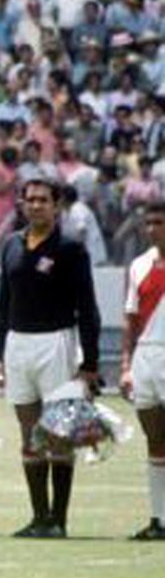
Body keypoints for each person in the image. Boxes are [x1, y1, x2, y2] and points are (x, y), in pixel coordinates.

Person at [0, 178, 101, 539]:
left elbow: (88, 308)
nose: (35, 205)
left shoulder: (70, 249)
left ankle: (59, 519)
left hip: (57, 342)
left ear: (57, 206)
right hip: (18, 343)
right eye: (30, 199)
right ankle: (38, 517)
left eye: (43, 200)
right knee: (29, 433)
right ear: (21, 204)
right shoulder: (11, 245)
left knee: (58, 432)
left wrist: (90, 363)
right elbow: (2, 303)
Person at [120, 200, 165, 540]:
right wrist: (125, 365)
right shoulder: (138, 265)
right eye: (149, 223)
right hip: (146, 358)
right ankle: (159, 517)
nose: (153, 229)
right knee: (155, 441)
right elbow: (130, 319)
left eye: (159, 222)